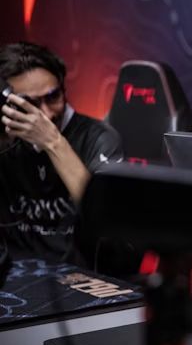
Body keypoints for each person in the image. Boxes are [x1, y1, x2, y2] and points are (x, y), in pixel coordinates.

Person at [0, 42, 123, 266]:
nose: (46, 114)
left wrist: (53, 142)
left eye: (53, 96)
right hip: (15, 274)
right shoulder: (5, 142)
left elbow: (108, 222)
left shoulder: (99, 138)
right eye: (30, 104)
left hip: (78, 273)